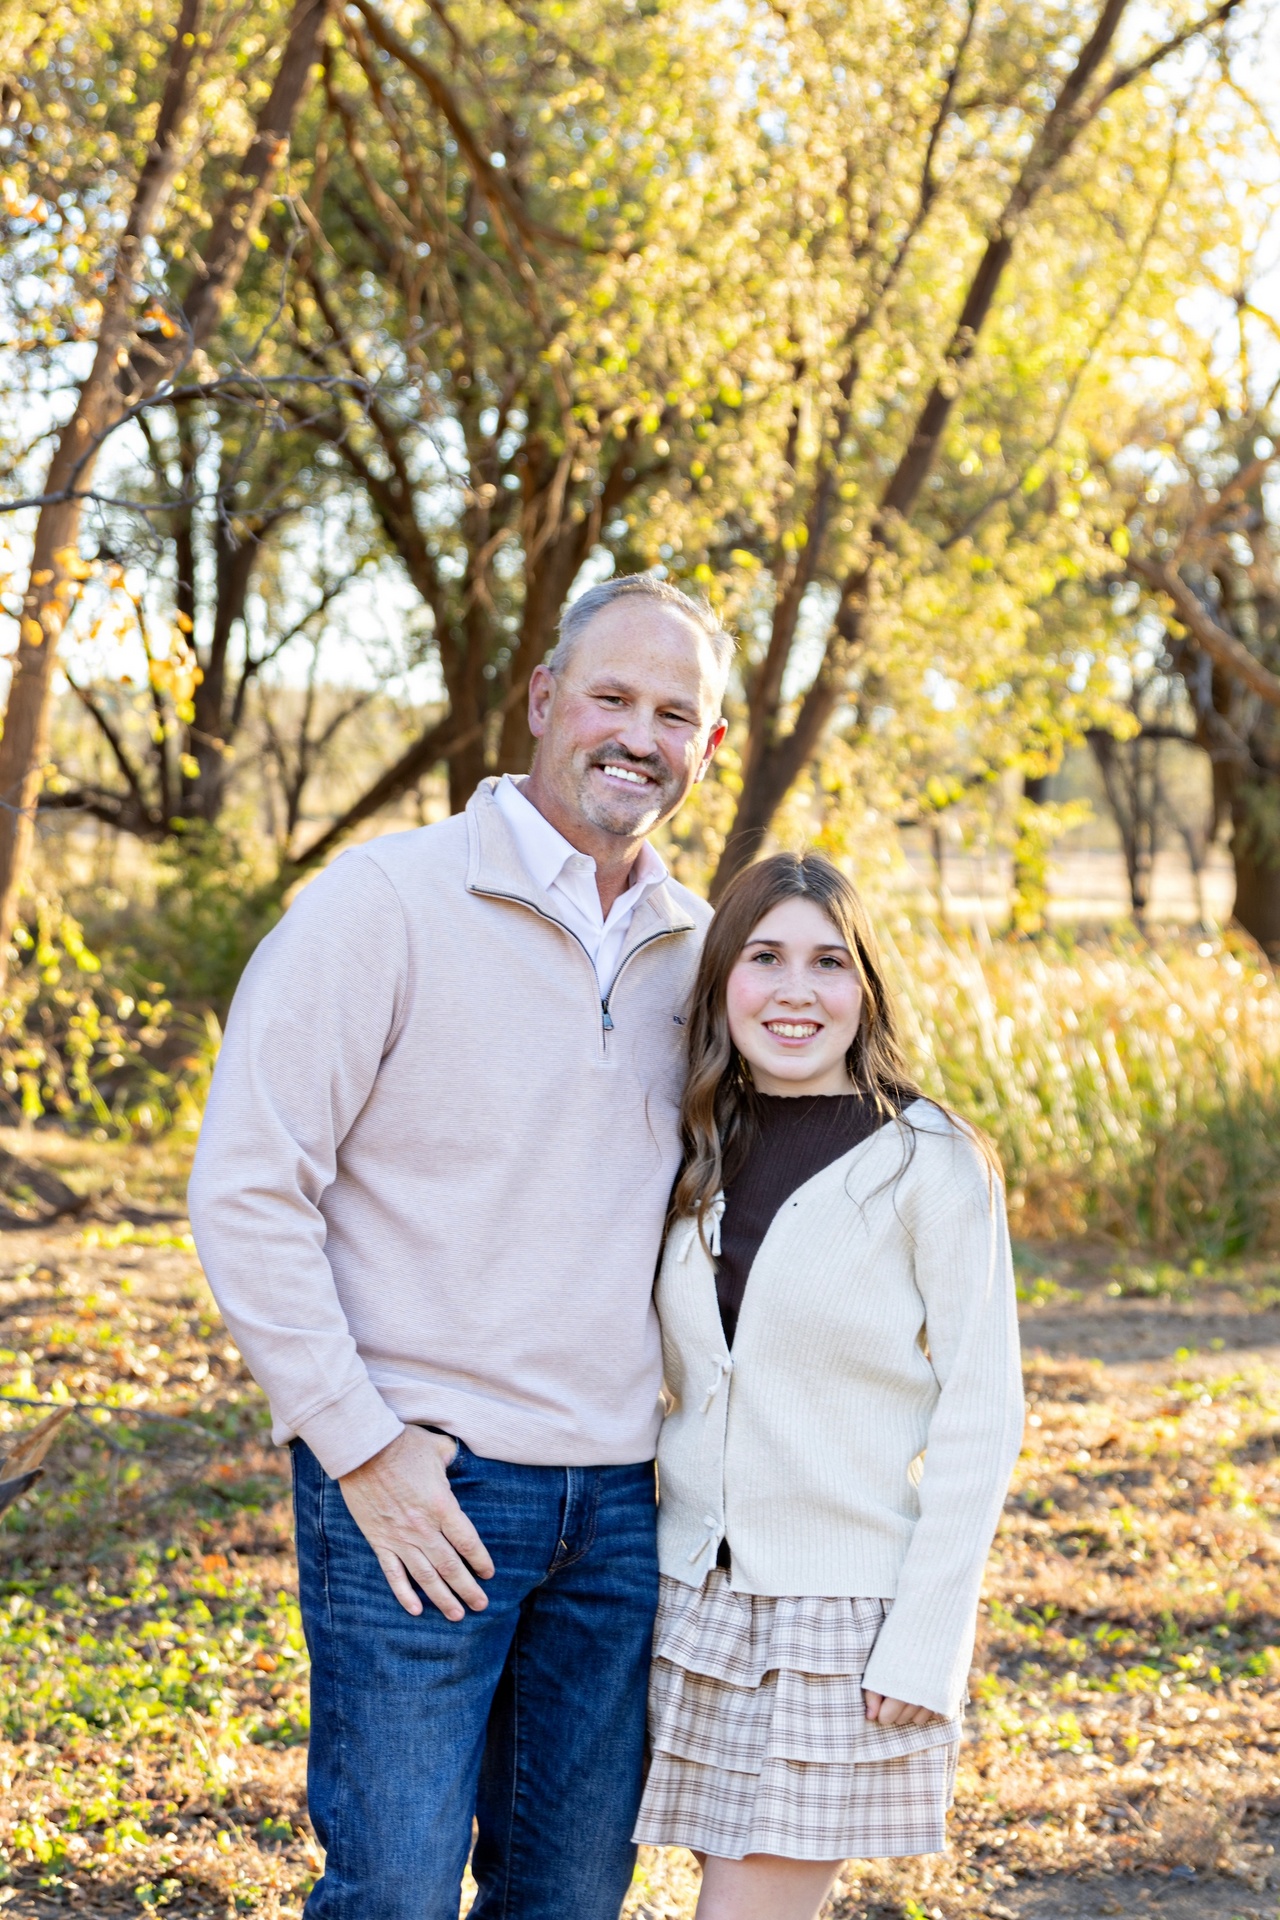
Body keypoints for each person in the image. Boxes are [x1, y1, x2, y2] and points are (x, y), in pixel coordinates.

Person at [187, 574, 730, 1920]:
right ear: (543, 700)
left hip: (620, 1504)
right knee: (397, 1893)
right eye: (610, 697)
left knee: (569, 1897)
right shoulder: (384, 903)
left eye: (674, 715)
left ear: (708, 746)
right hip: (423, 1480)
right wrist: (358, 1445)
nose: (638, 736)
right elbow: (247, 1187)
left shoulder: (700, 953)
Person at [633, 852, 1025, 1920]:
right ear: (722, 979)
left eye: (827, 962)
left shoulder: (928, 1162)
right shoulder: (692, 1142)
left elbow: (984, 1413)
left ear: (866, 987)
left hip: (837, 1621)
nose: (795, 992)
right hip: (684, 1602)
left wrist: (928, 1636)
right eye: (764, 958)